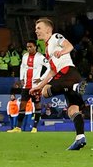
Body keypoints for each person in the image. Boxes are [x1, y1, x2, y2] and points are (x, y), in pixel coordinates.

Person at [30, 17, 87, 151]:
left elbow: (69, 46)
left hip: (68, 72)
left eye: (39, 28)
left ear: (48, 30)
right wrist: (38, 86)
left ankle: (73, 87)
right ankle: (80, 138)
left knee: (46, 92)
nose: (36, 31)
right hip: (68, 77)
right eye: (35, 28)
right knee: (72, 110)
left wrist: (62, 52)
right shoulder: (47, 48)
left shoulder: (55, 37)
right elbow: (51, 72)